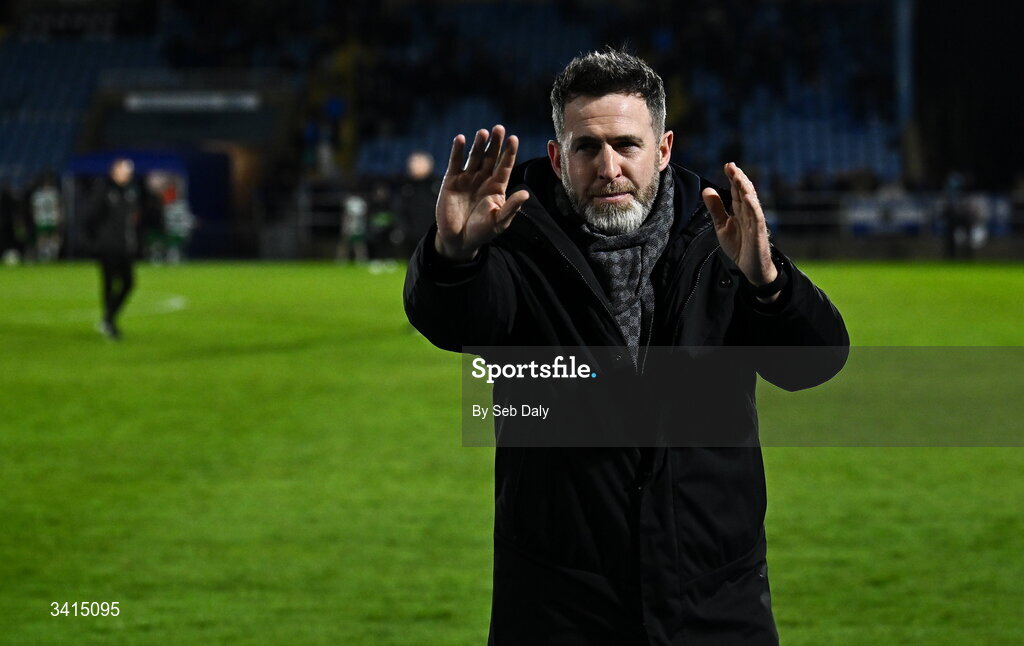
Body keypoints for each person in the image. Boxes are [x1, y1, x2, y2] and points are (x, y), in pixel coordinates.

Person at [404, 50, 848, 645]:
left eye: (626, 145)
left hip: (713, 599)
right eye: (587, 148)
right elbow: (458, 322)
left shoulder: (720, 238)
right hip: (559, 605)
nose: (608, 166)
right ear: (559, 158)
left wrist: (769, 284)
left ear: (662, 150)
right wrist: (452, 258)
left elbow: (817, 361)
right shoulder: (516, 239)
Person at [83, 158, 142, 340]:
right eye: (123, 171)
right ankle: (109, 323)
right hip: (107, 246)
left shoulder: (130, 192)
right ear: (113, 172)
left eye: (128, 172)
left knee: (128, 283)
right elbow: (90, 217)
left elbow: (133, 219)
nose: (126, 175)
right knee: (109, 283)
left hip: (124, 246)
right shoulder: (104, 190)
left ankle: (108, 318)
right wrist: (95, 241)